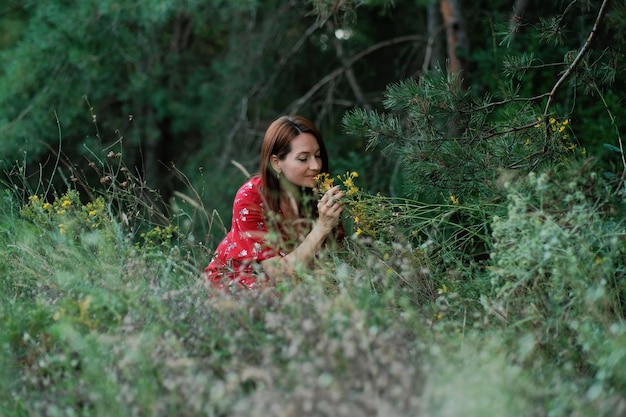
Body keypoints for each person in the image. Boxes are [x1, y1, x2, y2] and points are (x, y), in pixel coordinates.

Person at [205, 115, 345, 289]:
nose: (316, 165)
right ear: (276, 162)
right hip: (237, 286)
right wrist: (322, 227)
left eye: (318, 156)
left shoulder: (320, 195)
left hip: (296, 287)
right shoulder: (251, 198)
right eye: (303, 158)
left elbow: (334, 260)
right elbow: (280, 275)